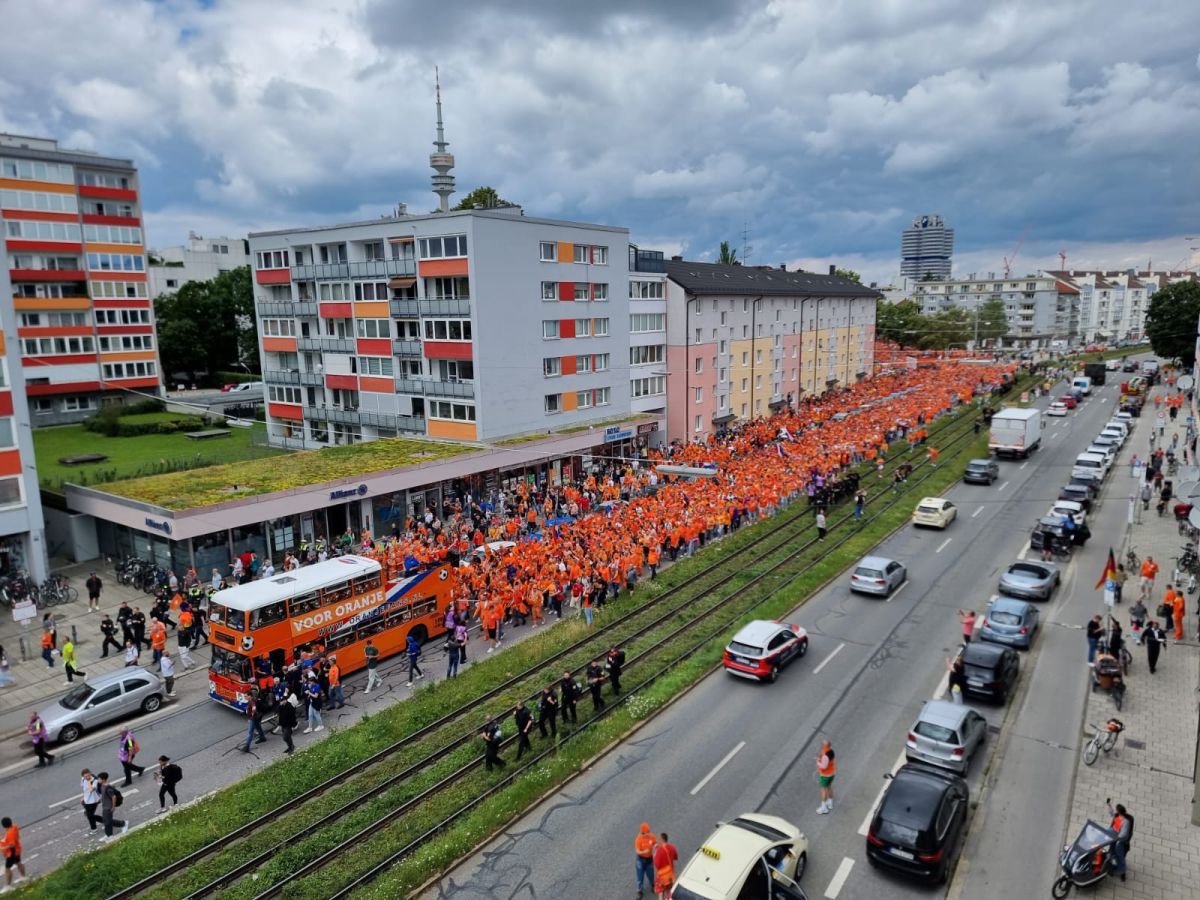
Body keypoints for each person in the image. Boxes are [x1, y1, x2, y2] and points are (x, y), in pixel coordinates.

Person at [1107, 799, 1132, 882]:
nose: (1116, 812)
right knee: (1110, 853)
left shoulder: (1126, 822)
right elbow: (1112, 813)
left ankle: (1122, 872)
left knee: (1119, 857)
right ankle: (1109, 867)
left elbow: (1123, 834)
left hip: (1120, 841)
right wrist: (1109, 805)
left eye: (1117, 810)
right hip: (1114, 835)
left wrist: (1116, 839)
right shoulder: (1117, 816)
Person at [97, 772, 127, 840]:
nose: (98, 780)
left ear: (103, 780)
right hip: (104, 806)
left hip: (108, 807)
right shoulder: (102, 786)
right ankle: (109, 834)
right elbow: (103, 795)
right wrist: (100, 800)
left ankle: (110, 835)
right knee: (107, 821)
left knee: (107, 822)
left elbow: (114, 797)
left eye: (99, 779)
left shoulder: (108, 788)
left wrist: (113, 807)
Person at [1, 816, 25, 889]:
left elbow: (12, 844)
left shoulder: (9, 833)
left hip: (12, 853)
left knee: (7, 868)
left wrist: (3, 848)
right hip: (17, 850)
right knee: (18, 863)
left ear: (3, 825)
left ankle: (8, 886)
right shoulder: (14, 826)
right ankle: (23, 877)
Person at [653, 832, 679, 899]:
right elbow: (676, 857)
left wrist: (655, 851)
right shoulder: (672, 847)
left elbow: (656, 864)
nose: (658, 840)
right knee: (668, 892)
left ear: (662, 839)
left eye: (659, 839)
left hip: (661, 876)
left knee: (661, 892)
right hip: (670, 874)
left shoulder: (659, 850)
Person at [634, 823, 657, 899]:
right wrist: (644, 852)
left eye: (648, 832)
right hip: (640, 860)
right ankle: (639, 891)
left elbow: (655, 843)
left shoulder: (651, 836)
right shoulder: (638, 839)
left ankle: (653, 885)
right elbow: (637, 851)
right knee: (640, 877)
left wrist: (655, 847)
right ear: (642, 833)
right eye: (646, 832)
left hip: (649, 859)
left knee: (651, 874)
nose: (648, 833)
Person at [816, 739, 836, 814]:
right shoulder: (831, 751)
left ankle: (824, 808)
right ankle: (830, 803)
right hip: (832, 773)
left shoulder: (825, 756)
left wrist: (818, 762)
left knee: (823, 790)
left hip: (825, 775)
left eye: (823, 744)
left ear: (825, 746)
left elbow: (824, 766)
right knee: (829, 787)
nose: (821, 745)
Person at [277, 687, 298, 754]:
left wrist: (293, 724)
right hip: (283, 724)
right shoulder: (281, 707)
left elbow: (292, 716)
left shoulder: (289, 706)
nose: (282, 702)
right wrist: (279, 724)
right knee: (287, 737)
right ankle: (290, 746)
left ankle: (291, 747)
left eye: (283, 700)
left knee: (285, 737)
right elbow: (279, 714)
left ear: (285, 700)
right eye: (281, 701)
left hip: (288, 724)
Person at [81, 769, 101, 834]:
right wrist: (83, 797)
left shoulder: (95, 781)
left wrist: (89, 782)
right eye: (85, 776)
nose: (87, 777)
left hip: (93, 801)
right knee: (90, 815)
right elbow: (85, 789)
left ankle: (94, 829)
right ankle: (106, 821)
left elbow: (91, 790)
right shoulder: (83, 779)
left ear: (90, 773)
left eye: (88, 776)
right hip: (86, 801)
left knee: (90, 816)